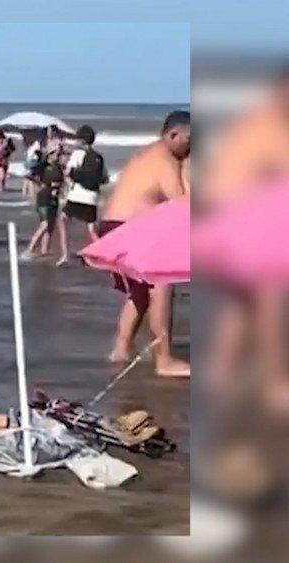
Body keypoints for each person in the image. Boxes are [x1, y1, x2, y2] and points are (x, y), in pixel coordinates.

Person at [200, 70, 289, 410]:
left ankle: (220, 374)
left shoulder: (252, 126)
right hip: (250, 230)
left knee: (239, 306)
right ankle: (274, 384)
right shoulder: (270, 130)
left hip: (229, 228)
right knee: (269, 303)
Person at [97, 110, 191, 377]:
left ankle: (120, 348)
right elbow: (182, 204)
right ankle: (164, 360)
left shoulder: (147, 153)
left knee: (139, 292)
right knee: (162, 284)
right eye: (190, 140)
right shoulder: (165, 160)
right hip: (132, 226)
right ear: (172, 135)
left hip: (114, 225)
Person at [58, 125, 108, 265]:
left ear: (81, 140)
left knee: (62, 219)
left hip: (77, 195)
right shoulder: (99, 157)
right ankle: (104, 255)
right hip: (92, 197)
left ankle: (65, 254)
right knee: (91, 229)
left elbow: (68, 173)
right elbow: (105, 179)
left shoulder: (77, 154)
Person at [21, 151, 66, 260]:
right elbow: (28, 175)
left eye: (59, 155)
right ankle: (30, 249)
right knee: (45, 224)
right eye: (55, 155)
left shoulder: (59, 168)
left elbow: (63, 182)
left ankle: (44, 250)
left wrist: (62, 191)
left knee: (50, 226)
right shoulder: (43, 166)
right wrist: (40, 184)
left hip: (54, 199)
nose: (58, 157)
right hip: (44, 198)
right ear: (49, 156)